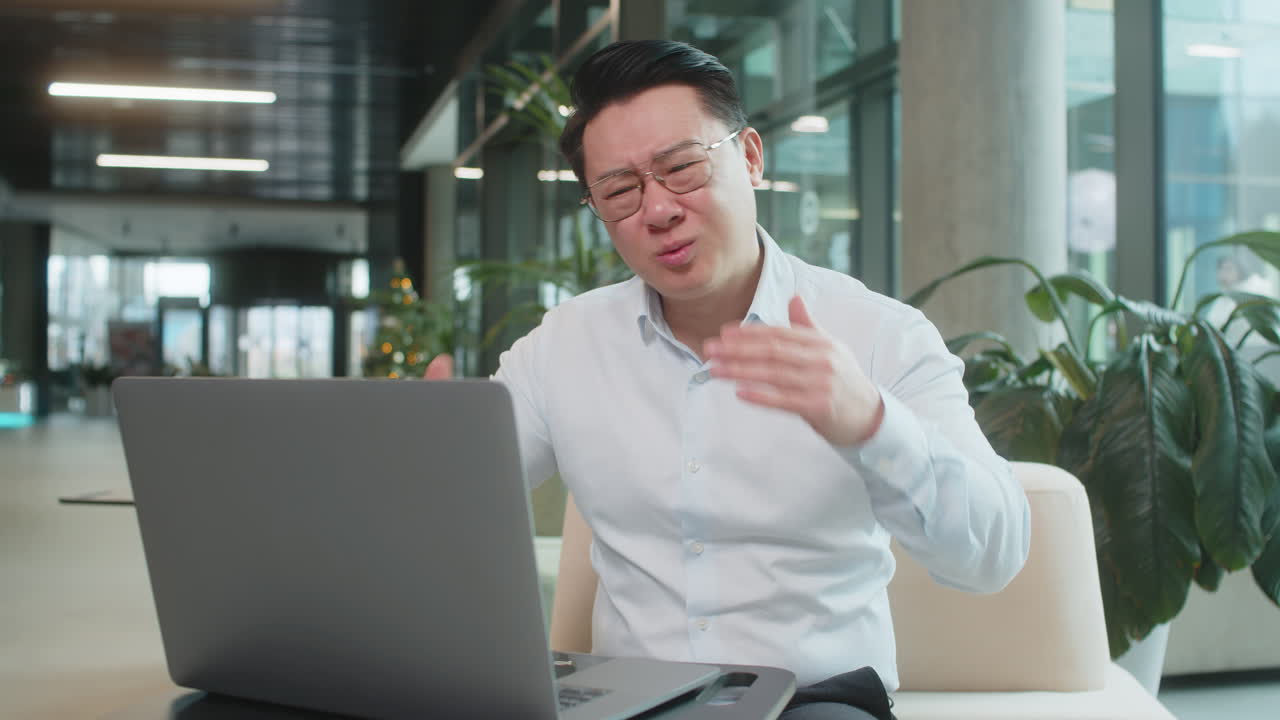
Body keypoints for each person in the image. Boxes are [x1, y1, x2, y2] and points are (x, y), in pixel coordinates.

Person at [427, 40, 1030, 720]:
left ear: (749, 156)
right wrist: (430, 448)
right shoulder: (564, 346)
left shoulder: (879, 335)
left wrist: (872, 422)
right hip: (631, 701)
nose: (657, 210)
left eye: (681, 169)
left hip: (814, 701)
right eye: (621, 192)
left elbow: (994, 556)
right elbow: (448, 506)